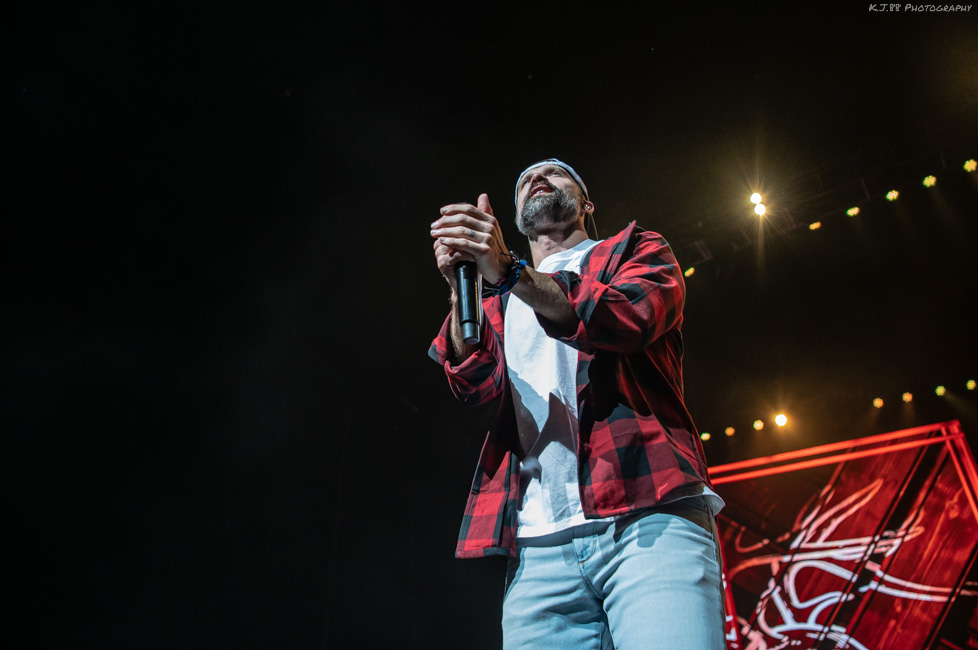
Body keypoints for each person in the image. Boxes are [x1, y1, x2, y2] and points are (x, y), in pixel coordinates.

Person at [428, 159, 726, 649]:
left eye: (554, 172)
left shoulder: (635, 250)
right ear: (516, 219)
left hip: (647, 517)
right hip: (537, 548)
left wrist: (509, 271)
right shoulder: (498, 303)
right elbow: (472, 382)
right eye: (524, 181)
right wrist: (461, 288)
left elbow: (628, 319)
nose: (536, 179)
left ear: (587, 204)